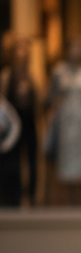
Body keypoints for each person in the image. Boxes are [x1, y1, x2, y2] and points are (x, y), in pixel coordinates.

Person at [46, 36, 81, 204]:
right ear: (67, 50)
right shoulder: (59, 71)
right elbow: (51, 97)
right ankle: (68, 202)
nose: (77, 51)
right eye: (74, 47)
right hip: (66, 122)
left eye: (80, 47)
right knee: (67, 165)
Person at [0, 38, 38, 207]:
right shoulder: (7, 75)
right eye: (18, 50)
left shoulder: (32, 75)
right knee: (11, 159)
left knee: (32, 158)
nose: (22, 53)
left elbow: (38, 99)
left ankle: (32, 195)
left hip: (29, 120)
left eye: (25, 50)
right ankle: (11, 196)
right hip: (12, 121)